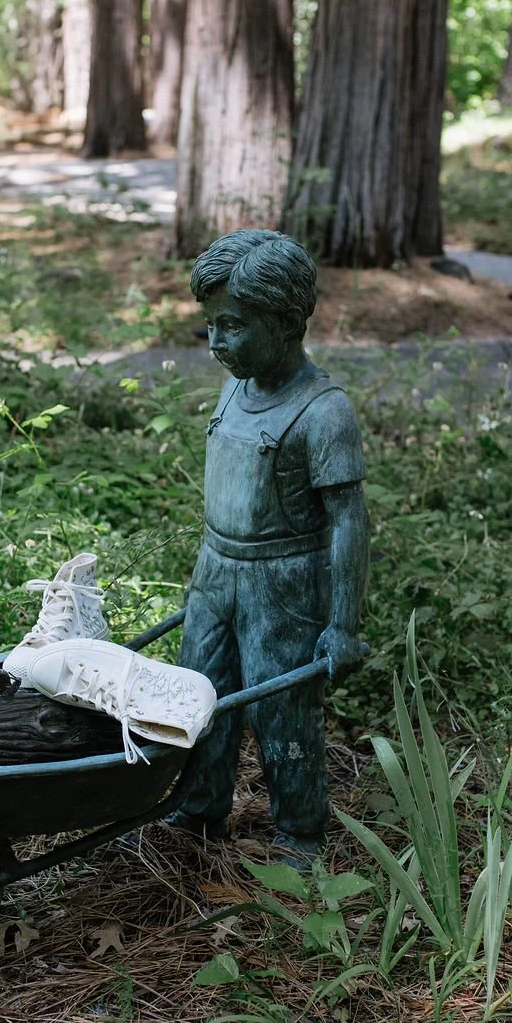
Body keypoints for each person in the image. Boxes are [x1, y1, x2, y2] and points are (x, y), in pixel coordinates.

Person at [172, 229, 369, 856]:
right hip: (215, 572)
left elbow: (348, 520)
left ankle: (299, 831)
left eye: (232, 326)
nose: (217, 344)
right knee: (197, 696)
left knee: (282, 712)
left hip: (282, 584)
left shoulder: (322, 411)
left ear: (285, 321)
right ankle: (199, 812)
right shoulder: (236, 386)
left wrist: (343, 623)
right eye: (210, 326)